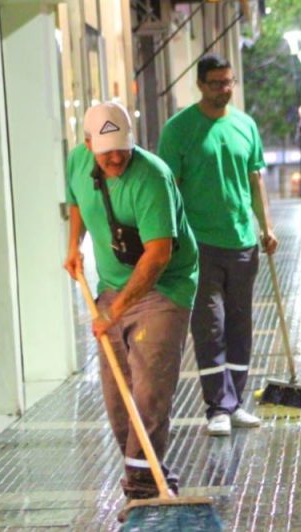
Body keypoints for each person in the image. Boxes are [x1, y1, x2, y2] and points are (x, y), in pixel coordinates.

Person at [63, 102, 199, 510]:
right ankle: (149, 474)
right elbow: (76, 200)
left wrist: (114, 311)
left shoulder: (151, 177)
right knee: (117, 398)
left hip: (164, 288)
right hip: (111, 287)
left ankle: (142, 489)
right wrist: (73, 245)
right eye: (106, 153)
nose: (116, 159)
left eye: (122, 149)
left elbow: (158, 256)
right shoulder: (76, 162)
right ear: (88, 145)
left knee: (149, 391)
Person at [158, 53, 277, 436]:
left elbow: (255, 179)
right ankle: (217, 408)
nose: (223, 90)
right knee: (210, 326)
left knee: (241, 325)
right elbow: (169, 189)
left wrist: (266, 226)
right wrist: (172, 238)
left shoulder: (245, 125)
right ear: (200, 84)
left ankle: (235, 402)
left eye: (228, 82)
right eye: (215, 83)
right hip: (200, 245)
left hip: (243, 242)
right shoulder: (179, 130)